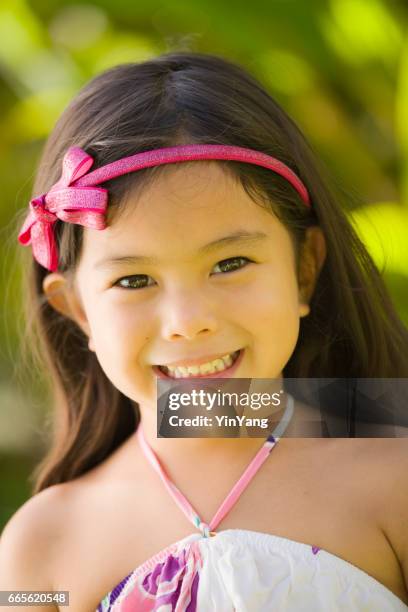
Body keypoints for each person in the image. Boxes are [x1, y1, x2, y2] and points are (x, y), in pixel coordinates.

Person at [0, 51, 407, 611]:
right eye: (135, 279)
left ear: (305, 270)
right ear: (77, 312)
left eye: (230, 264)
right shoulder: (38, 550)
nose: (189, 322)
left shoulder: (395, 477)